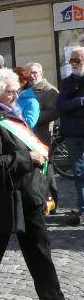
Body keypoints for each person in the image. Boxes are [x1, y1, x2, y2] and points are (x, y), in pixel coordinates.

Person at [0, 68, 77, 300]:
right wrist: (28, 158)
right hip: (5, 194)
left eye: (16, 91)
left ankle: (51, 296)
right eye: (10, 92)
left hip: (28, 192)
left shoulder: (13, 116)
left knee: (38, 245)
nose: (15, 96)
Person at [56, 46, 84, 226]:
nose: (73, 64)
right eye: (72, 60)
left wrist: (71, 106)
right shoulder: (66, 82)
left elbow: (67, 106)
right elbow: (61, 106)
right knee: (79, 172)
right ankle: (82, 209)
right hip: (73, 134)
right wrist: (80, 101)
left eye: (77, 60)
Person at [27, 62, 60, 208]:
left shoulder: (49, 90)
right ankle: (39, 201)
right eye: (29, 73)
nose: (31, 76)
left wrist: (32, 118)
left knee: (46, 169)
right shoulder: (26, 89)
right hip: (28, 135)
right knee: (36, 170)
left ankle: (52, 202)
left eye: (34, 72)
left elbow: (55, 112)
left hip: (43, 136)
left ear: (41, 73)